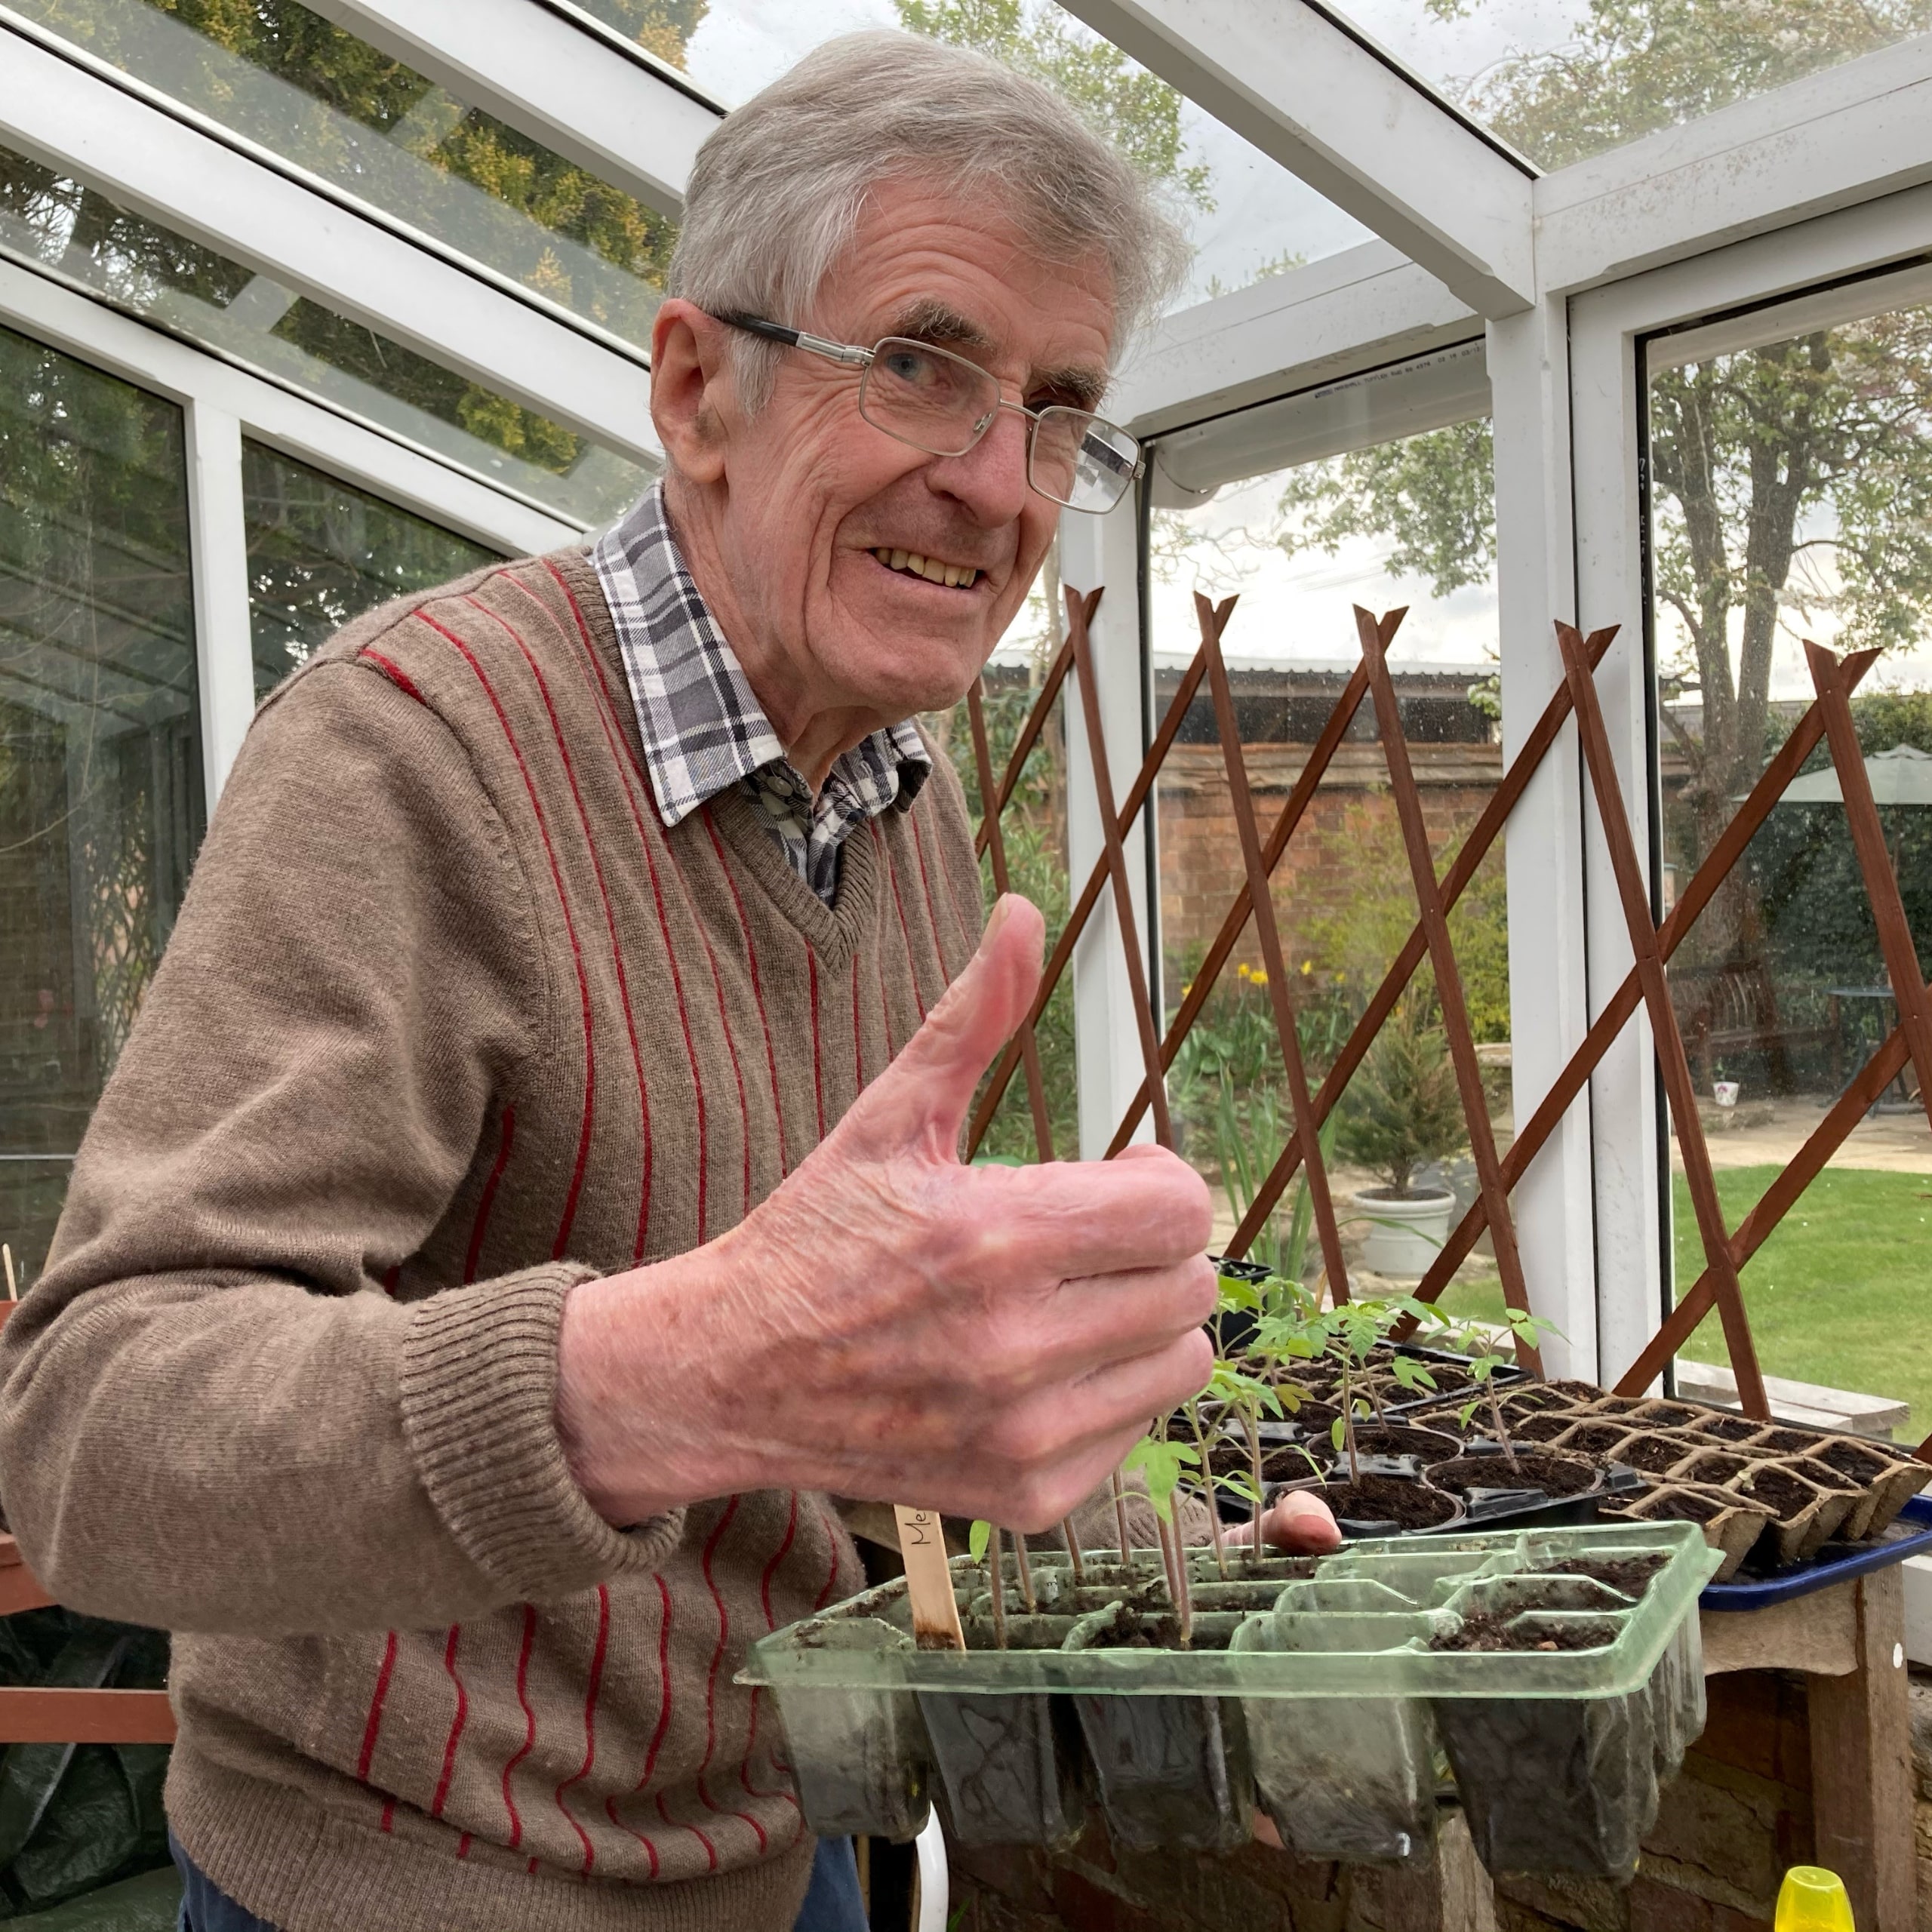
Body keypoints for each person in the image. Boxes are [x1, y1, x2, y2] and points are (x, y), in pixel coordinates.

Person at [0, 29, 1338, 1932]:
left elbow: (876, 1370)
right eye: (919, 364)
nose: (997, 482)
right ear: (697, 385)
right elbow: (93, 1431)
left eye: (1057, 407)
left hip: (775, 1852)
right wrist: (673, 1372)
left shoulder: (905, 814)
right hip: (399, 1891)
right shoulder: (411, 752)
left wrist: (1184, 1562)